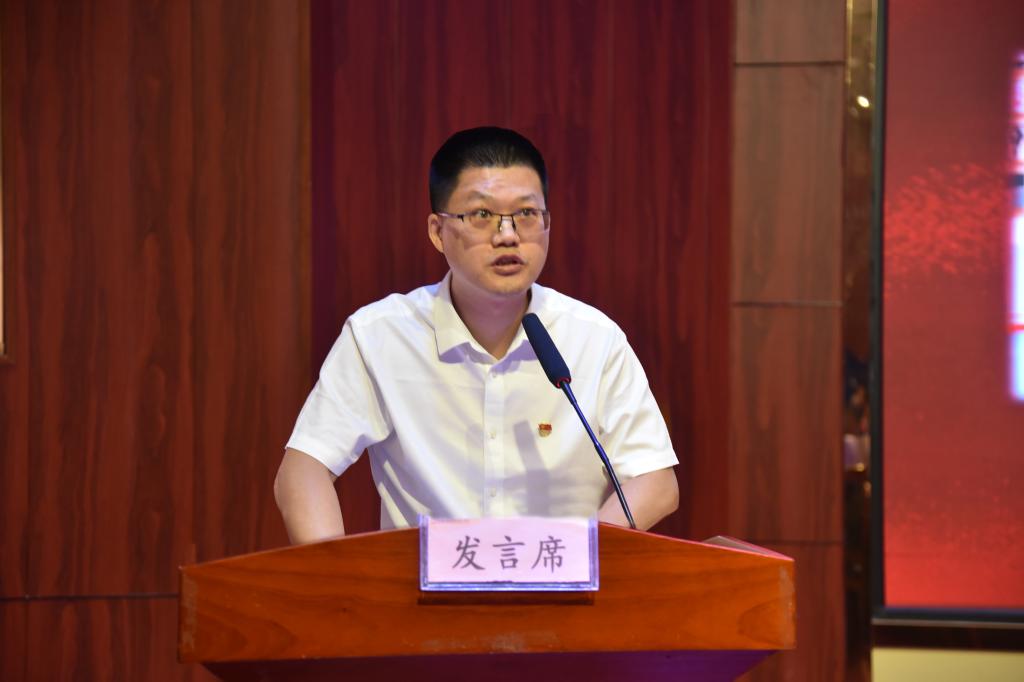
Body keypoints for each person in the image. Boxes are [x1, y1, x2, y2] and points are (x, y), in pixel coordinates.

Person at [274, 127, 679, 544]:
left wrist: (578, 553)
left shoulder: (594, 339)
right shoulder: (380, 336)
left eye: (527, 214)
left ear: (548, 224)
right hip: (421, 584)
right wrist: (331, 573)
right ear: (438, 231)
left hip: (560, 579)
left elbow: (655, 479)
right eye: (482, 215)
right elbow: (304, 469)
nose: (508, 235)